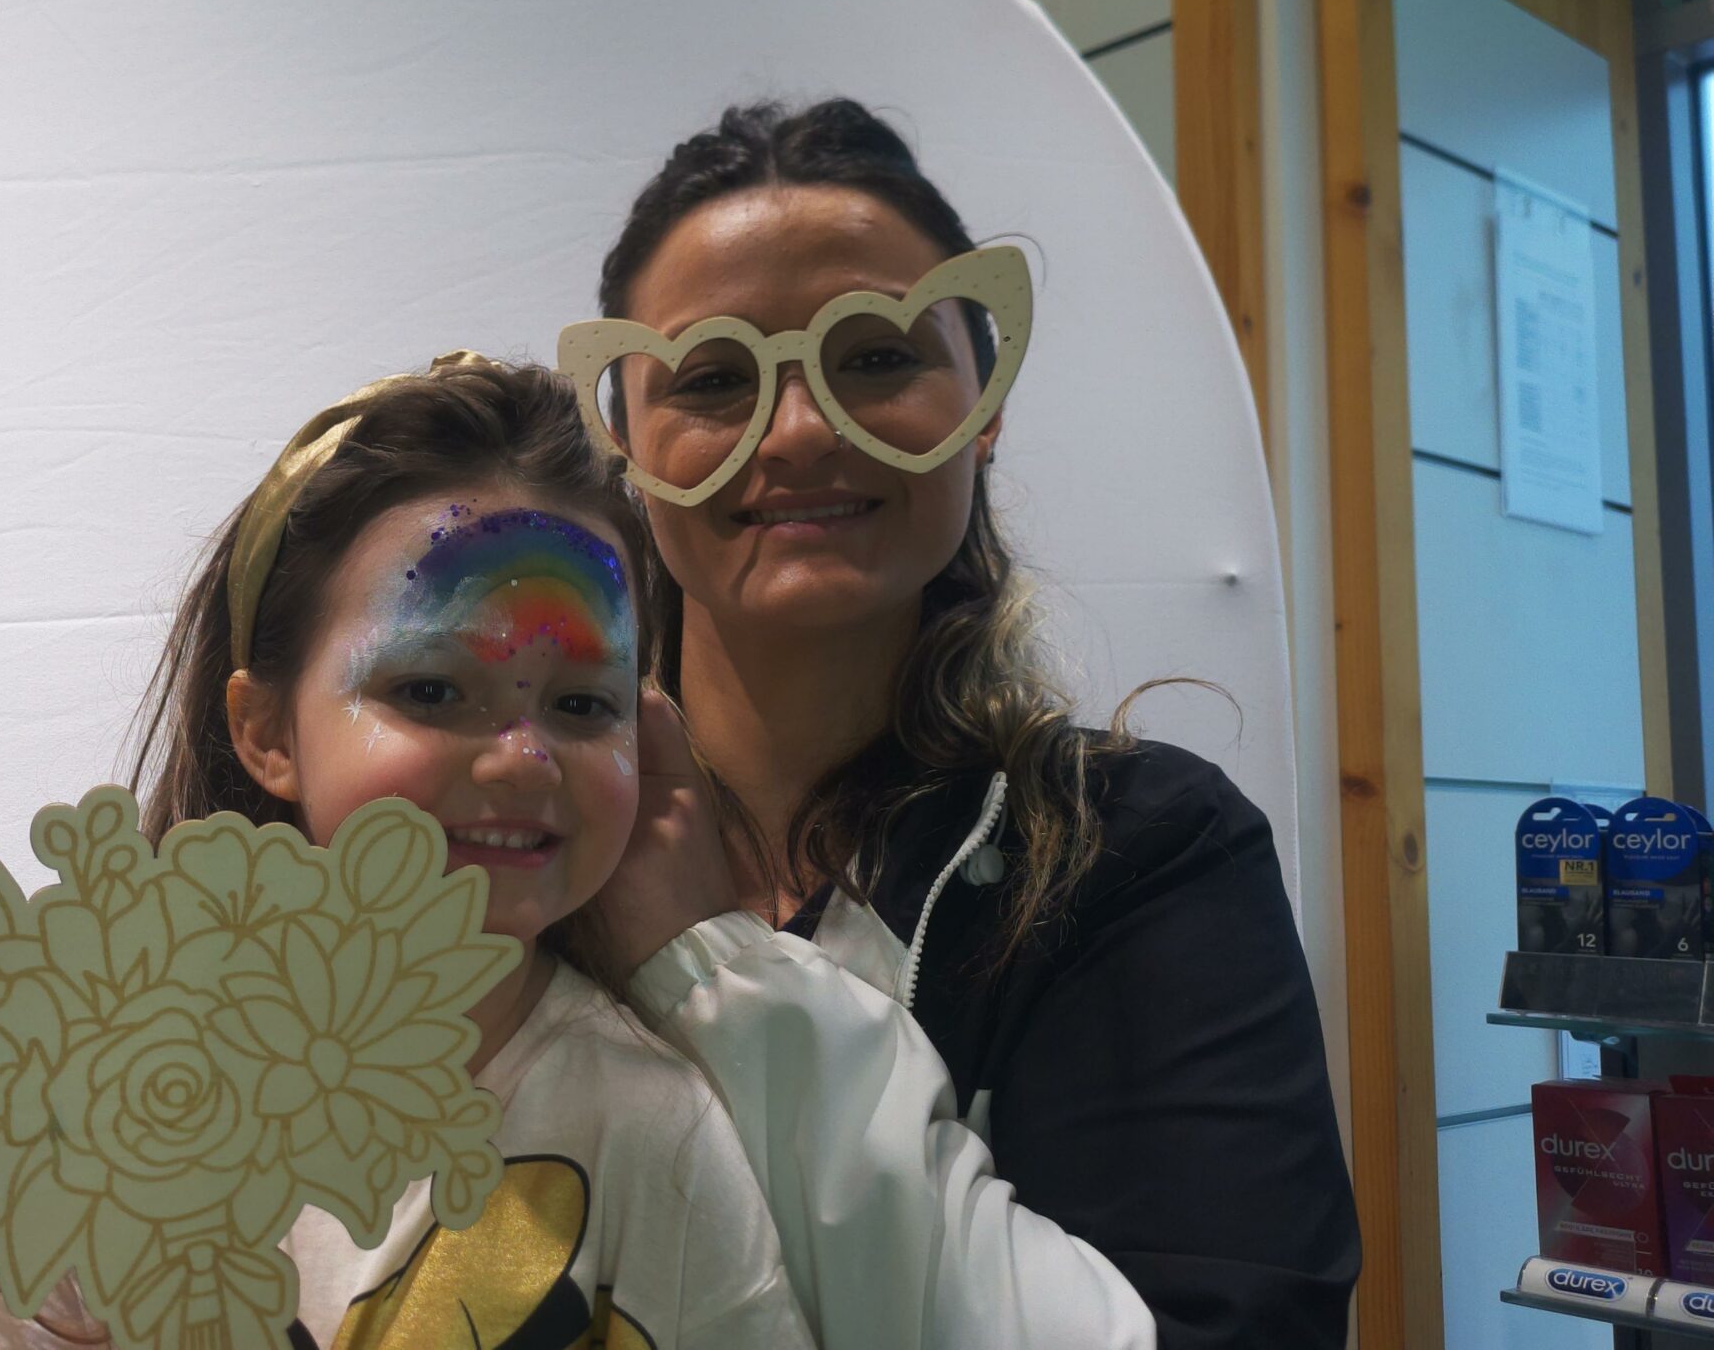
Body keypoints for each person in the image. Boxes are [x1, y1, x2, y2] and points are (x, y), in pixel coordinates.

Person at [579, 100, 1362, 1350]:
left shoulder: (1133, 856)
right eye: (715, 379)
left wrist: (702, 962)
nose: (798, 431)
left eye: (877, 357)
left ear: (982, 408)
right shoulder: (538, 839)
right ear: (625, 447)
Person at [0, 355, 812, 1349]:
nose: (524, 759)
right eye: (431, 690)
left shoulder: (657, 1134)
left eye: (581, 704)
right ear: (267, 731)